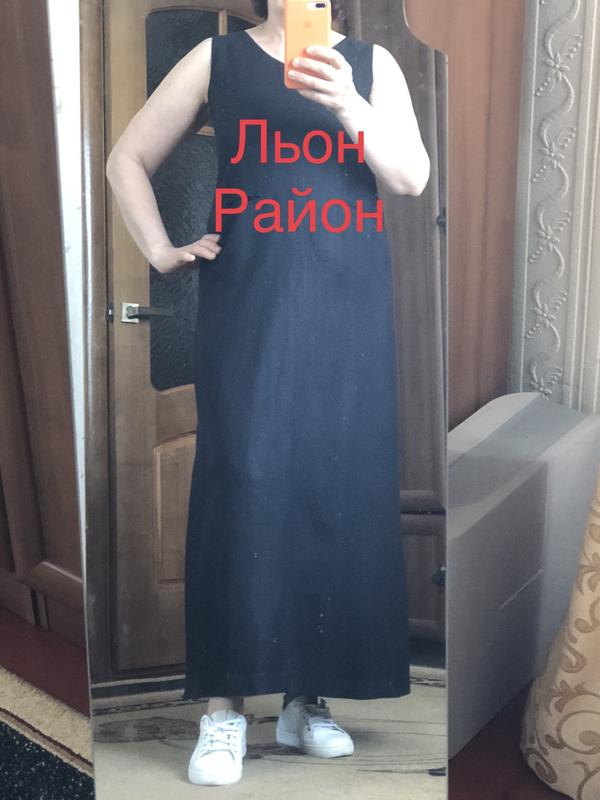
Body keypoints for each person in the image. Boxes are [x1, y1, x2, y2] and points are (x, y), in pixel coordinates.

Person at [106, 0, 429, 787]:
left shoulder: (370, 66)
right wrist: (161, 249)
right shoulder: (217, 61)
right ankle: (222, 712)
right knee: (242, 485)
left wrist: (347, 103)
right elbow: (126, 159)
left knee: (331, 488)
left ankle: (303, 699)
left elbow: (410, 177)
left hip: (346, 308)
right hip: (249, 303)